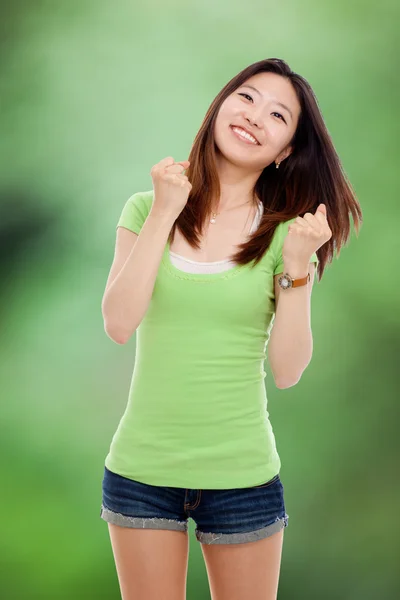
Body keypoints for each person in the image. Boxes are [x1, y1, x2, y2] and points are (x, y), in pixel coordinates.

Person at [99, 57, 362, 600]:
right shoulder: (148, 206)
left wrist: (296, 271)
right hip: (141, 473)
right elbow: (119, 323)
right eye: (246, 97)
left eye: (278, 115)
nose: (254, 116)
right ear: (220, 105)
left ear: (285, 150)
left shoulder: (288, 239)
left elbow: (288, 371)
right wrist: (165, 213)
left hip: (243, 479)